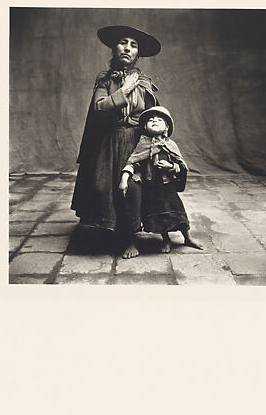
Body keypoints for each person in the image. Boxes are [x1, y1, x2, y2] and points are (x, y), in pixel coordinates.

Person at [71, 25, 161, 255]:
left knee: (132, 189)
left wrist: (154, 146)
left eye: (133, 45)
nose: (127, 48)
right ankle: (107, 231)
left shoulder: (144, 83)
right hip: (109, 141)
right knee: (103, 187)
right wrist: (124, 89)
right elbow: (100, 108)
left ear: (137, 54)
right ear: (114, 48)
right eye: (123, 43)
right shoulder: (105, 80)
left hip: (134, 142)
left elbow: (153, 116)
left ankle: (130, 238)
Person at [118, 106, 203, 258]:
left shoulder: (171, 145)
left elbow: (181, 166)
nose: (154, 121)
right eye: (151, 120)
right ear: (145, 127)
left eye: (159, 120)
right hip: (151, 188)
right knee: (159, 215)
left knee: (178, 212)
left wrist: (171, 167)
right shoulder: (142, 144)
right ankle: (166, 239)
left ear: (166, 127)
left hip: (167, 187)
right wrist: (124, 179)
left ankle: (187, 237)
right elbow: (133, 162)